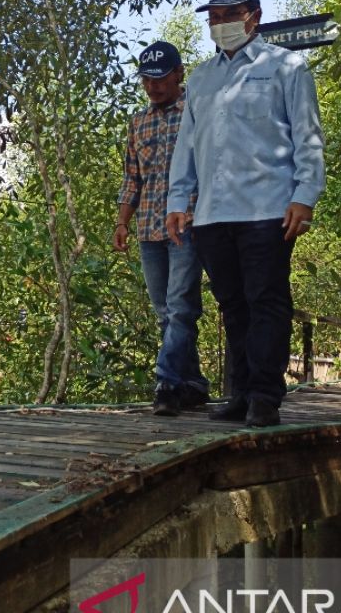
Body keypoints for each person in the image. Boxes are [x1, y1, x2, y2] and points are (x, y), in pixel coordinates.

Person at [166, 0, 325, 428]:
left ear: (252, 16)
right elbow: (187, 146)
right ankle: (240, 392)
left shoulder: (288, 67)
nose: (219, 25)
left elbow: (307, 137)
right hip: (214, 214)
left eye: (228, 16)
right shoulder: (201, 78)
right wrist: (178, 200)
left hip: (268, 209)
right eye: (214, 18)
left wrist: (305, 196)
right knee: (232, 305)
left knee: (266, 301)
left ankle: (265, 397)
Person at [114, 40, 209, 416]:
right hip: (147, 229)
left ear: (178, 74)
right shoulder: (138, 122)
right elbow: (131, 179)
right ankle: (194, 384)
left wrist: (195, 210)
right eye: (146, 80)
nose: (153, 87)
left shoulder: (196, 111)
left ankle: (166, 381)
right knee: (166, 312)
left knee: (181, 307)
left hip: (187, 224)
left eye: (160, 78)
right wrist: (122, 221)